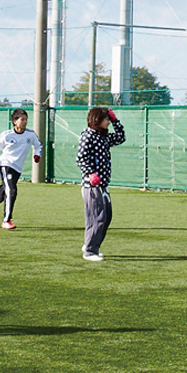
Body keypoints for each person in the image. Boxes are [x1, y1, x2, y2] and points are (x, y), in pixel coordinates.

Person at [0, 108, 43, 230]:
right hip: (6, 164)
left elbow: (38, 145)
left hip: (17, 169)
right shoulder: (7, 135)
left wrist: (37, 155)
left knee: (1, 194)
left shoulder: (30, 135)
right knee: (12, 190)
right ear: (14, 121)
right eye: (22, 119)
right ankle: (6, 220)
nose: (25, 122)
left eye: (26, 119)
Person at [76, 107, 125, 261]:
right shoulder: (88, 136)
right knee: (97, 217)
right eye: (106, 119)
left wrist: (116, 121)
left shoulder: (103, 137)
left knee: (106, 216)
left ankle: (90, 244)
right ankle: (90, 251)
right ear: (97, 120)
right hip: (92, 186)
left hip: (103, 184)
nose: (108, 122)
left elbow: (120, 137)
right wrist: (91, 173)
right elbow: (81, 158)